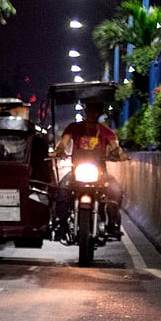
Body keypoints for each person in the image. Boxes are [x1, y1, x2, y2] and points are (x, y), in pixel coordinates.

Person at [54, 100, 127, 236]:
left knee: (116, 191)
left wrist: (119, 154)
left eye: (95, 111)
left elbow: (116, 147)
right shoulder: (73, 128)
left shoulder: (107, 132)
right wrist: (59, 151)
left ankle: (112, 223)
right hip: (77, 172)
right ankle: (61, 223)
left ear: (99, 113)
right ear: (85, 112)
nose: (92, 114)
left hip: (100, 173)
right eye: (89, 111)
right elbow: (63, 143)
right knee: (62, 189)